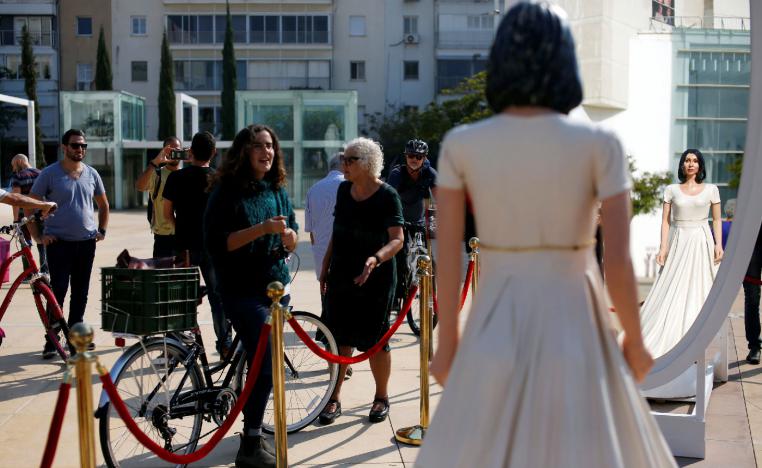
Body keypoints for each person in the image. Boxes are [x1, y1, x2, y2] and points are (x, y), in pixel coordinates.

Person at [416, 3, 675, 467]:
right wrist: (635, 340)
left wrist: (447, 343)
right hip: (576, 313)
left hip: (496, 314)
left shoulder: (462, 144)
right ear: (564, 59)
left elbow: (449, 259)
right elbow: (617, 259)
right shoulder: (602, 144)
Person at [204, 124, 298, 468]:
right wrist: (263, 229)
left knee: (259, 362)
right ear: (244, 151)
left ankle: (250, 424)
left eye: (271, 146)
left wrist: (289, 237)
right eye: (259, 146)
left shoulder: (276, 188)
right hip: (242, 292)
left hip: (276, 289)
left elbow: (294, 234)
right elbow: (217, 243)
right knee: (268, 365)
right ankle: (251, 442)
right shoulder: (227, 190)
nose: (267, 152)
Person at [317, 137, 404, 425]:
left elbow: (397, 240)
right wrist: (325, 267)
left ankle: (381, 397)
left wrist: (375, 259)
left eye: (349, 159)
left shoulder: (387, 195)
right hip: (342, 273)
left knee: (376, 340)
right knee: (339, 337)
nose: (343, 164)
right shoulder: (343, 190)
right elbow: (337, 231)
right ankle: (334, 397)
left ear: (366, 163)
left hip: (376, 278)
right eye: (343, 158)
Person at [638, 148, 722, 398]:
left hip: (701, 242)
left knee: (699, 292)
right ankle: (669, 345)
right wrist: (663, 246)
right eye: (687, 160)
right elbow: (664, 221)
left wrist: (719, 244)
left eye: (695, 160)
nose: (691, 164)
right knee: (670, 293)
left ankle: (695, 347)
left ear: (700, 165)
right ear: (682, 165)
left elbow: (716, 220)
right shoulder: (671, 190)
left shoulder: (712, 190)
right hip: (678, 241)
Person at [29, 129, 109, 359]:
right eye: (75, 145)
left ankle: (74, 339)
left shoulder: (92, 174)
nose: (80, 149)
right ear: (64, 147)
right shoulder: (49, 174)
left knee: (81, 293)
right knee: (59, 292)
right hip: (58, 244)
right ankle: (52, 340)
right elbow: (29, 205)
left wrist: (102, 230)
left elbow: (103, 205)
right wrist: (39, 237)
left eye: (83, 146)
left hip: (86, 244)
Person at [163, 131, 231, 356]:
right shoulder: (219, 179)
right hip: (213, 247)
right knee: (218, 297)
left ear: (190, 152)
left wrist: (179, 230)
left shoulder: (176, 178)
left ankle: (183, 347)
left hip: (184, 247)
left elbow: (166, 213)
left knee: (183, 298)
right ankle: (224, 343)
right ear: (213, 153)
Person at [387, 139, 437, 305]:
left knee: (426, 254)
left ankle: (427, 289)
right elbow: (389, 197)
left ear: (424, 158)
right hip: (399, 219)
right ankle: (397, 293)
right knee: (399, 255)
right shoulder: (397, 173)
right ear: (405, 157)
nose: (414, 159)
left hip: (419, 219)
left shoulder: (429, 173)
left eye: (418, 156)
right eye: (410, 156)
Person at [135, 136, 182, 258]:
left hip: (184, 237)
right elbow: (139, 186)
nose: (174, 153)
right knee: (162, 276)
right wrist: (154, 163)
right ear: (163, 151)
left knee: (183, 276)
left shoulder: (187, 175)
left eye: (177, 150)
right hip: (163, 238)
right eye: (170, 150)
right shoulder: (156, 174)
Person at [304, 153, 344, 279]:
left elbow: (311, 233)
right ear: (343, 163)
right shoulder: (351, 186)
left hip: (321, 260)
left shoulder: (312, 190)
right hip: (346, 260)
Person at [10, 154, 45, 272]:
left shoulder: (18, 176)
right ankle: (45, 270)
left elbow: (16, 200)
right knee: (43, 241)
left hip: (23, 215)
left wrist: (15, 220)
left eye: (14, 165)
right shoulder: (42, 174)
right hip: (41, 213)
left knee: (25, 243)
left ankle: (29, 272)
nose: (13, 168)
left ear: (19, 161)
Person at [743, 221, 762, 364]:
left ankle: (755, 346)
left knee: (752, 296)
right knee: (752, 296)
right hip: (751, 236)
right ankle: (754, 346)